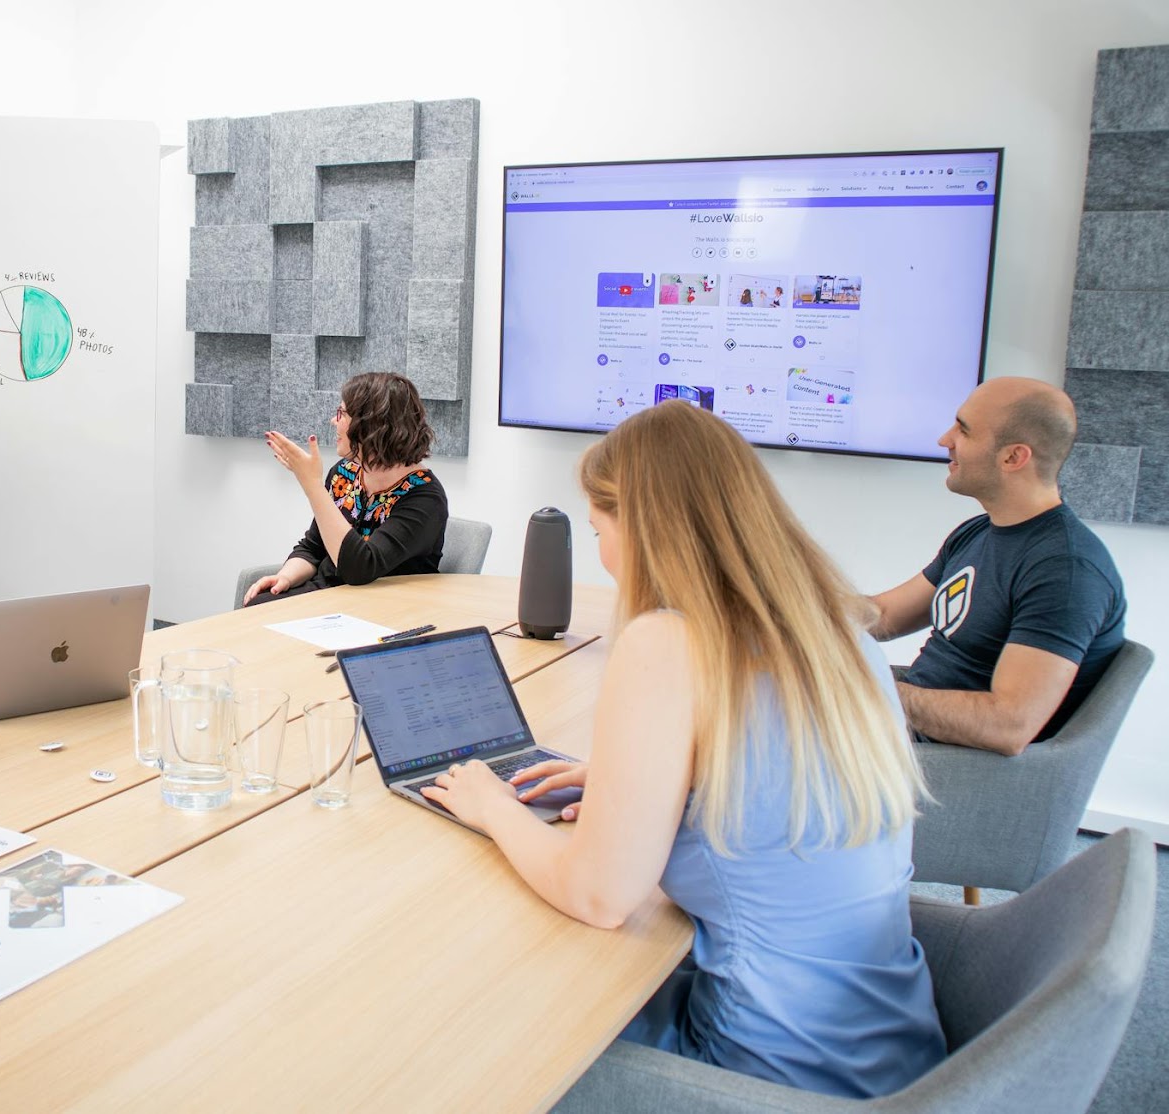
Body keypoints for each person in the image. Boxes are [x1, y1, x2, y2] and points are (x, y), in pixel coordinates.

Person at [426, 401, 943, 1100]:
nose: (604, 554)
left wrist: (492, 805)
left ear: (641, 526)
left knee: (476, 1019)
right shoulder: (837, 631)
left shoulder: (669, 642)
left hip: (767, 1073)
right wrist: (628, 787)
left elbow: (599, 896)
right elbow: (767, 783)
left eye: (600, 528)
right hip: (892, 1046)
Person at [869, 377, 1125, 755]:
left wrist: (869, 691)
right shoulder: (979, 532)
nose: (945, 439)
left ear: (1012, 457)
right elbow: (887, 616)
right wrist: (782, 611)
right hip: (900, 733)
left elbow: (1007, 724)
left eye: (964, 430)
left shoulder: (1066, 570)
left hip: (941, 765)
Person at [244, 372, 447, 605]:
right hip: (330, 597)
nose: (334, 420)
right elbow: (313, 547)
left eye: (342, 413)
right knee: (258, 603)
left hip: (380, 609)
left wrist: (312, 485)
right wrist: (284, 578)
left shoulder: (425, 498)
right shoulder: (344, 474)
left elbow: (360, 569)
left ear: (372, 425)